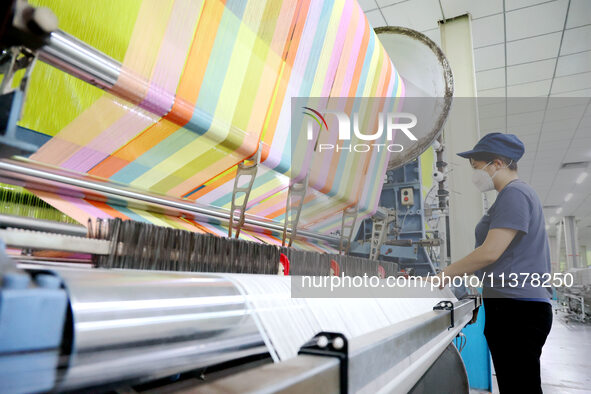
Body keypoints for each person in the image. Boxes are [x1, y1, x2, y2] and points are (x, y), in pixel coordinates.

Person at [434, 132, 553, 393]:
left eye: (477, 167)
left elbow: (491, 252)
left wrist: (443, 275)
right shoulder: (512, 196)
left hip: (518, 310)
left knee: (520, 387)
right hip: (513, 306)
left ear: (497, 163)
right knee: (517, 385)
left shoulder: (515, 193)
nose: (475, 174)